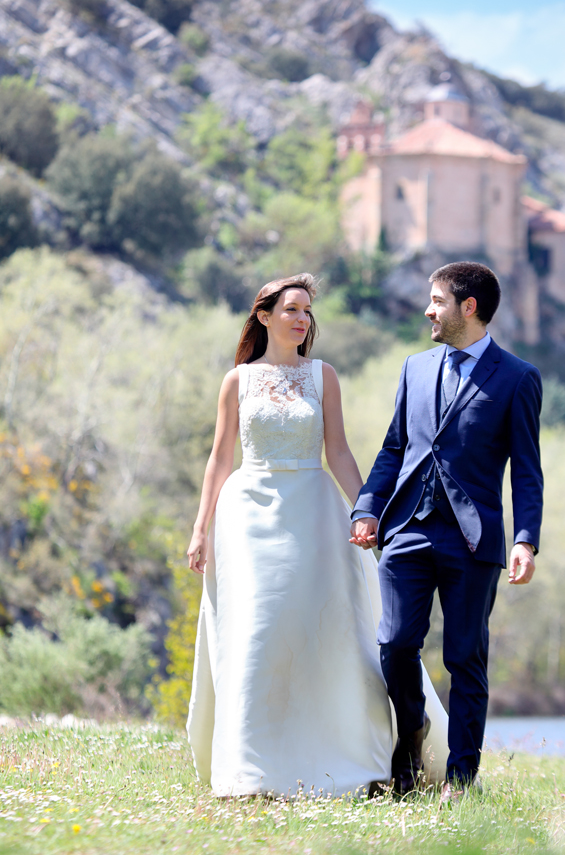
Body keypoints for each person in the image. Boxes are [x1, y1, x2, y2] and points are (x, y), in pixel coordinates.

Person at [185, 273, 448, 797]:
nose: (303, 319)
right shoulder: (237, 381)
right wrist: (200, 529)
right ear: (264, 316)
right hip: (248, 517)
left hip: (315, 514)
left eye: (308, 311)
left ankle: (350, 759)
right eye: (292, 309)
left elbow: (340, 452)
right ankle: (252, 770)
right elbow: (219, 460)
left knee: (327, 634)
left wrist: (369, 513)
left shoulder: (323, 376)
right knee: (257, 633)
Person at [350, 261, 543, 799]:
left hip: (473, 540)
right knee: (394, 644)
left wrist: (526, 538)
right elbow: (394, 449)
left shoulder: (518, 377)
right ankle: (412, 733)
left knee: (465, 658)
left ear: (469, 308)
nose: (428, 310)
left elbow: (527, 469)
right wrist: (367, 507)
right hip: (406, 528)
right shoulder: (414, 367)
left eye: (437, 300)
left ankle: (461, 779)